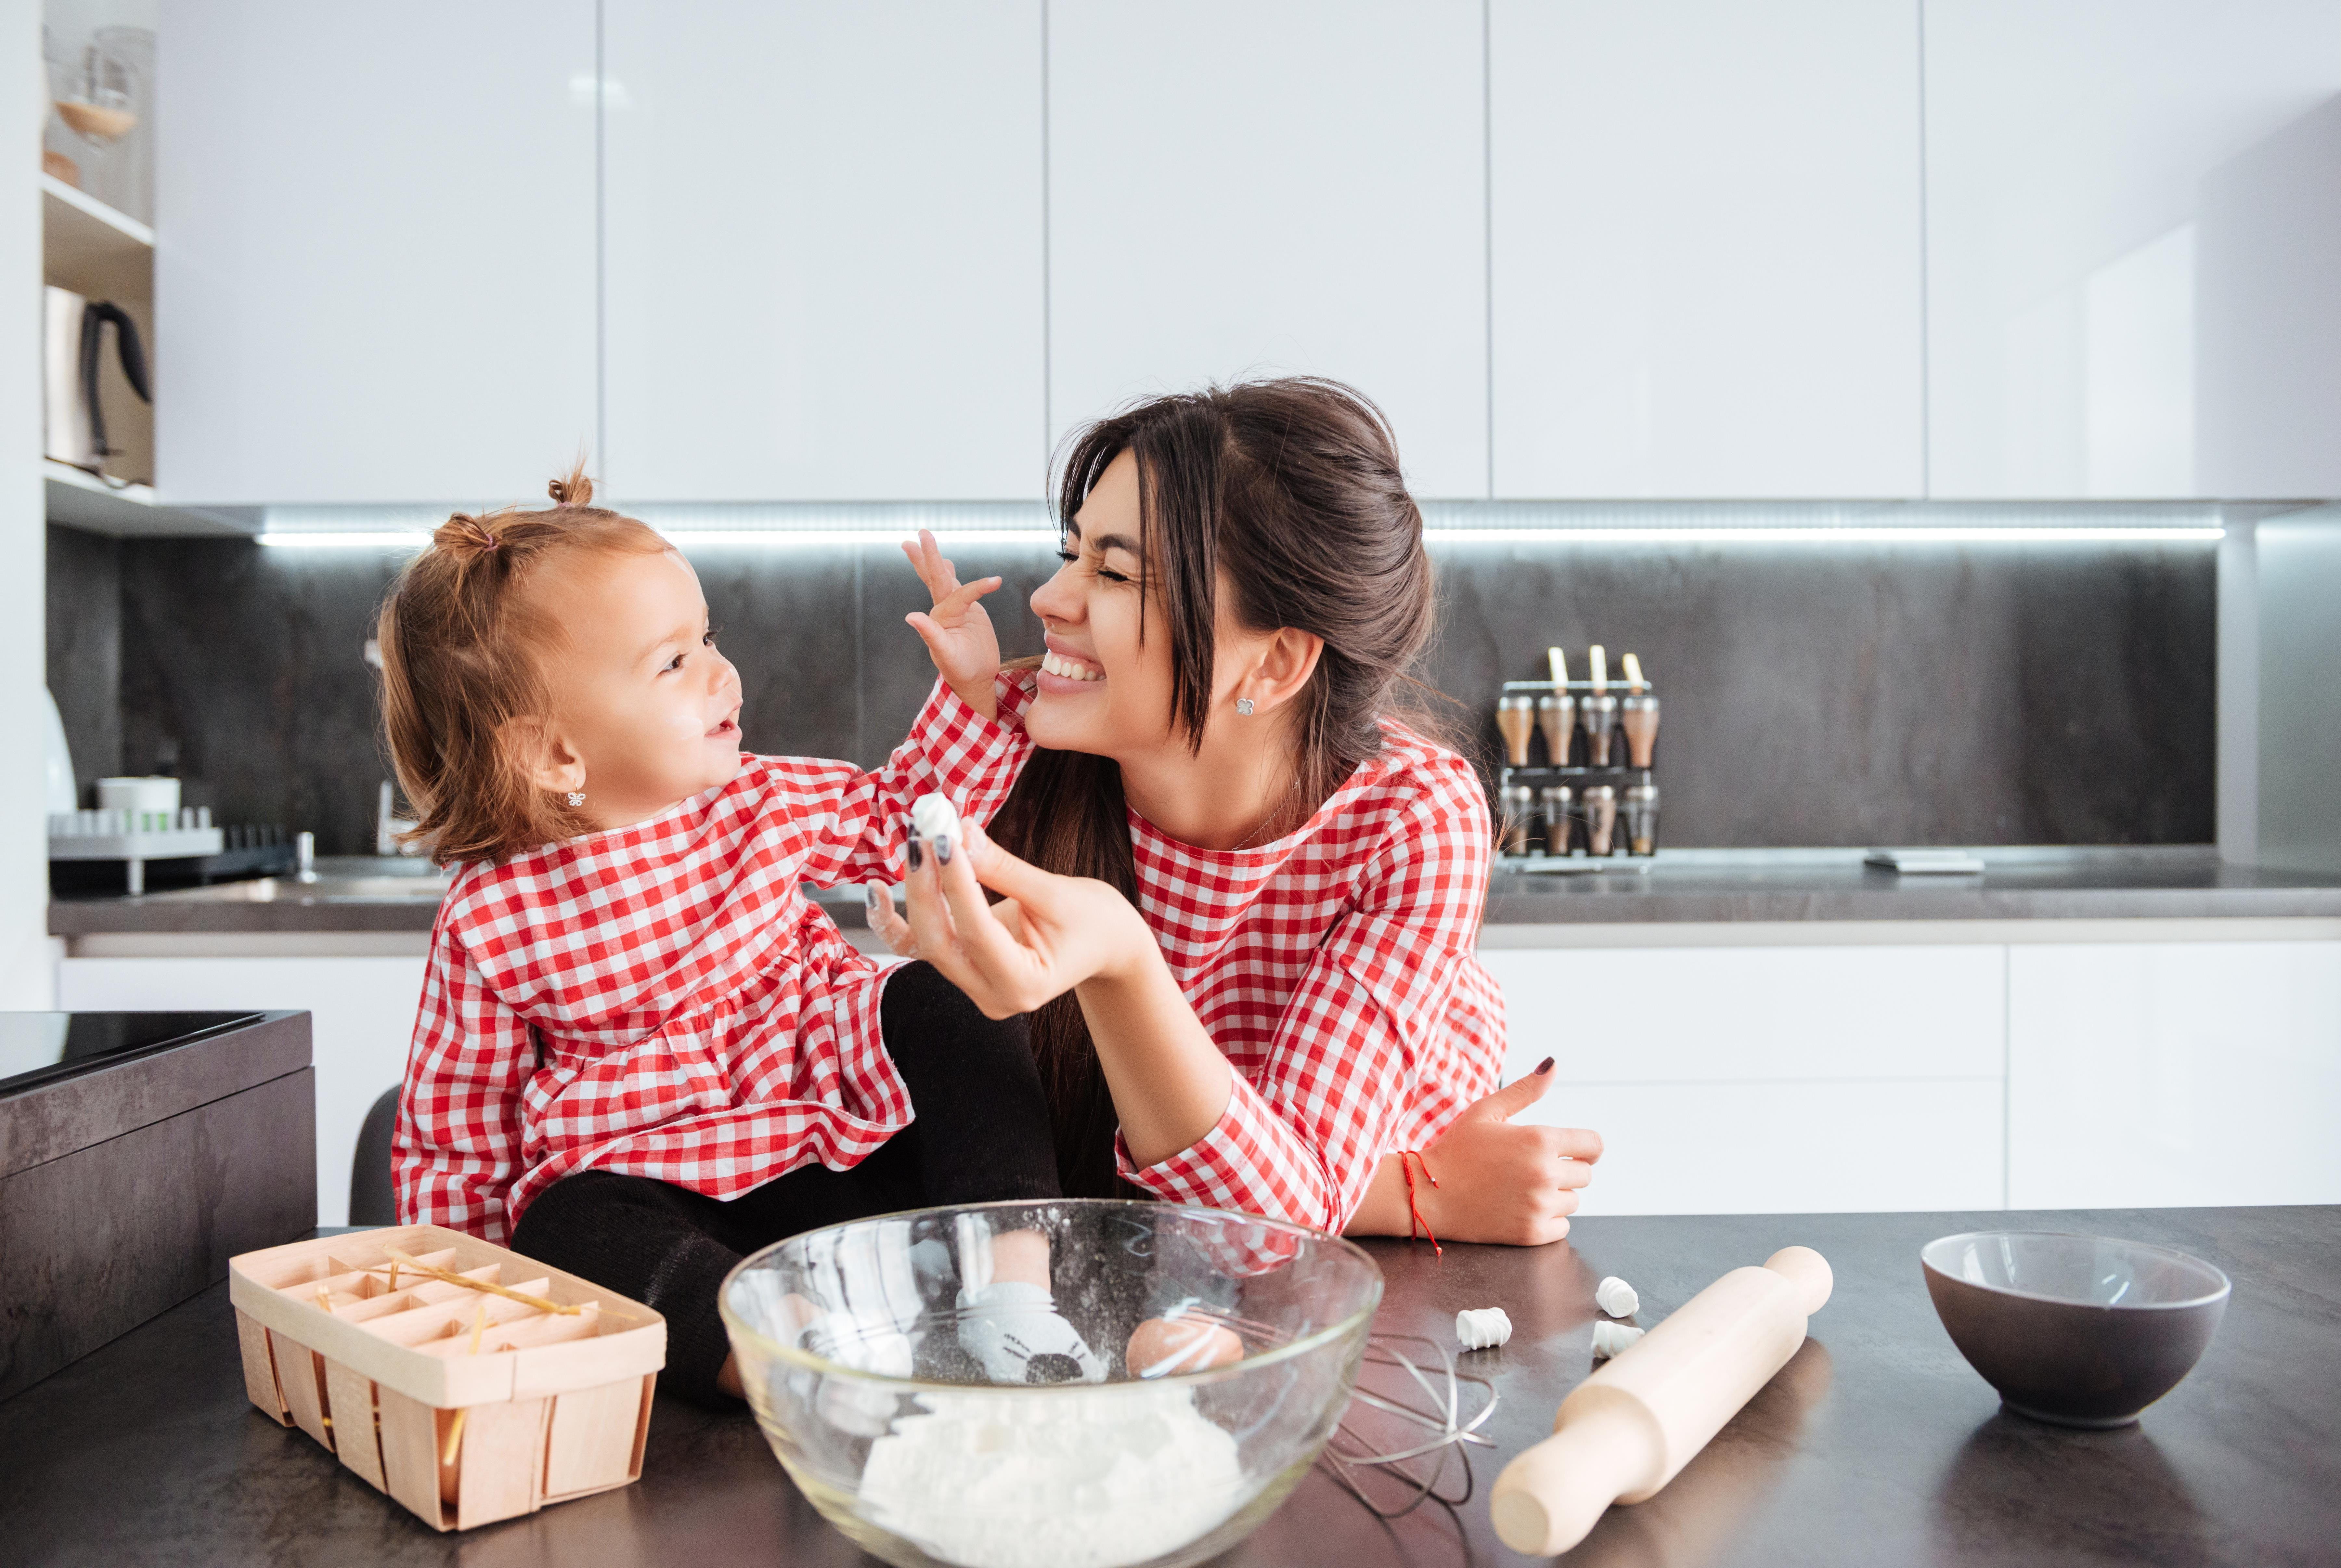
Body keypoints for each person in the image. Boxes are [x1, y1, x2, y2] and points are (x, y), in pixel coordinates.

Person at [381, 469, 1101, 1405]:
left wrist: (969, 693)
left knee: (942, 997)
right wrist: (466, 1308)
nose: (725, 672)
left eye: (708, 638)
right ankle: (800, 1365)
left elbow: (903, 819)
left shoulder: (758, 799)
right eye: (673, 662)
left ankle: (1013, 1299)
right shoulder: (490, 916)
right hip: (677, 1204)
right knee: (559, 1219)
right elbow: (457, 1139)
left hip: (841, 1140)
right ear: (556, 754)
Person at [872, 378, 1603, 1246]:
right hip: (1152, 1270)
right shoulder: (1005, 749)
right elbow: (986, 1152)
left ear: (1274, 663)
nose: (1051, 600)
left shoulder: (1411, 819)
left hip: (1359, 1295)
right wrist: (1420, 1191)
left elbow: (1279, 1233)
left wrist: (1120, 955)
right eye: (1072, 554)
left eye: (1112, 570)